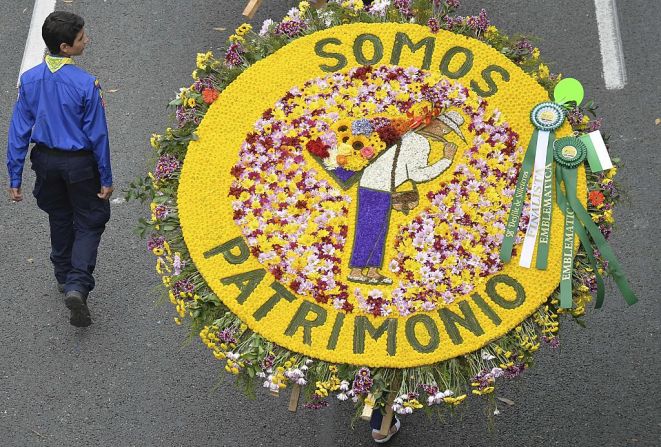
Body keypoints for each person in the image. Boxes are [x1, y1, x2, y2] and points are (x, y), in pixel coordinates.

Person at [6, 11, 113, 327]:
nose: (86, 41)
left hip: (45, 162)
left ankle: (62, 272)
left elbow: (18, 131)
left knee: (60, 214)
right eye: (81, 38)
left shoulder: (29, 80)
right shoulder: (85, 84)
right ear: (66, 47)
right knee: (91, 219)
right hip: (80, 164)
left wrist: (15, 176)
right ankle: (78, 283)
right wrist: (105, 177)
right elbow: (98, 135)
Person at [347, 111, 465, 284]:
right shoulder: (420, 142)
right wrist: (445, 160)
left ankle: (373, 271)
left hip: (375, 184)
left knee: (380, 229)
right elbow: (418, 175)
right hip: (377, 186)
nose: (444, 134)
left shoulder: (408, 133)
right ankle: (356, 271)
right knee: (370, 229)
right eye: (445, 129)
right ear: (437, 124)